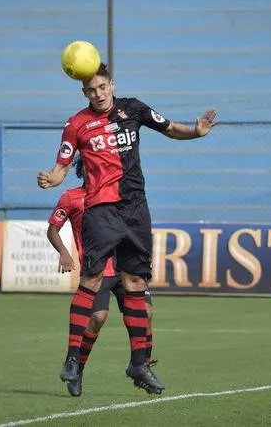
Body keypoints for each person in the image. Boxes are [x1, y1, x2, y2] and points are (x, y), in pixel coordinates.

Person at [38, 63, 217, 394]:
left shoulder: (133, 108)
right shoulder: (76, 124)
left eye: (103, 87)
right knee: (91, 280)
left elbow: (169, 128)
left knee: (136, 282)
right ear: (84, 93)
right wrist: (51, 179)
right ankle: (74, 359)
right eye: (91, 90)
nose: (99, 94)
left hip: (135, 208)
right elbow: (61, 169)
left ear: (112, 85)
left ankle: (139, 363)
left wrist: (196, 132)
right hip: (100, 210)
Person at [47, 155, 156, 397]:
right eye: (90, 165)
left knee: (146, 312)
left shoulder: (120, 195)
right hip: (98, 268)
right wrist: (64, 252)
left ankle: (143, 367)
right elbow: (53, 228)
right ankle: (78, 368)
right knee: (97, 317)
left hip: (125, 267)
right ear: (82, 169)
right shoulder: (72, 197)